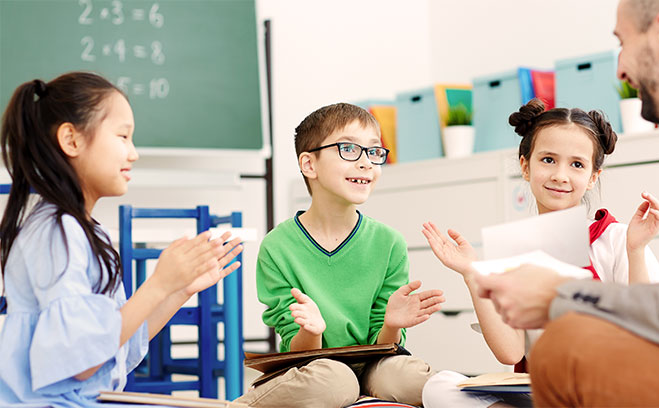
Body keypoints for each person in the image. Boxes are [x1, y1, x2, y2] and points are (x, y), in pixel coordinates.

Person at [474, 0, 659, 406]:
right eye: (548, 160)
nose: (621, 71)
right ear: (525, 165)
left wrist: (562, 295)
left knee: (561, 352)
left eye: (622, 43)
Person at [0, 72, 244, 406]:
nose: (133, 154)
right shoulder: (57, 230)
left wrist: (179, 290)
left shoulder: (85, 229)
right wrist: (158, 284)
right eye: (123, 136)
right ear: (71, 140)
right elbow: (82, 361)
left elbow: (115, 342)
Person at [420, 98, 659, 407]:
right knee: (439, 386)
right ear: (525, 166)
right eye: (548, 160)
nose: (560, 175)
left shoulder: (617, 238)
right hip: (545, 392)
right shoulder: (513, 252)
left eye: (577, 164)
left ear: (593, 177)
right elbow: (511, 353)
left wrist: (636, 249)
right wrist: (473, 273)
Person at [233, 103, 445, 408]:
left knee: (405, 376)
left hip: (375, 367)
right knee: (335, 379)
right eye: (349, 149)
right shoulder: (278, 246)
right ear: (309, 165)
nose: (366, 163)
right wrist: (310, 331)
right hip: (313, 367)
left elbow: (385, 346)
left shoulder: (388, 242)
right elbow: (295, 347)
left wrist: (391, 324)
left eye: (373, 152)